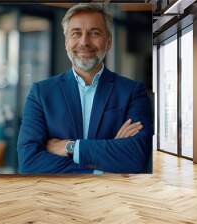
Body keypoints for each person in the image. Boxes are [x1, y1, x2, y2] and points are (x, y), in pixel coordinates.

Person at [17, 3, 153, 174]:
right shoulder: (41, 94)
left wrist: (71, 147)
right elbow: (29, 163)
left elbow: (136, 159)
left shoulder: (133, 92)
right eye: (76, 33)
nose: (84, 42)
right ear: (66, 41)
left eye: (95, 33)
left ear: (109, 41)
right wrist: (102, 169)